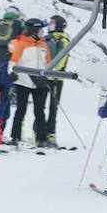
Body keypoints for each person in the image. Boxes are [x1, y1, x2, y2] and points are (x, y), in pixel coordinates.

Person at [7, 18, 50, 146]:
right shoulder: (21, 44)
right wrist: (12, 73)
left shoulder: (43, 45)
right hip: (23, 82)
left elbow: (48, 62)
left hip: (39, 83)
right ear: (34, 31)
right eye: (41, 30)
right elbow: (13, 60)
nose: (43, 33)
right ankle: (15, 137)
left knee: (39, 111)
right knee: (21, 109)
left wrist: (49, 76)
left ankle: (41, 138)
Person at [42, 15, 71, 147]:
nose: (50, 25)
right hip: (44, 77)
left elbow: (61, 59)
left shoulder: (62, 39)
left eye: (52, 23)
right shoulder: (46, 38)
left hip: (55, 78)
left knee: (53, 107)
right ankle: (40, 130)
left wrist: (51, 70)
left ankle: (50, 132)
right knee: (40, 106)